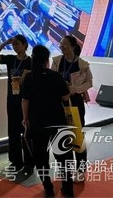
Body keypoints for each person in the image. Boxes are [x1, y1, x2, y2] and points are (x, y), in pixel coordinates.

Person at [21, 45, 74, 197]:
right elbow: (65, 97)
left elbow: (25, 100)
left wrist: (25, 118)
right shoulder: (56, 76)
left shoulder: (29, 77)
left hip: (37, 121)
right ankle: (67, 188)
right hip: (57, 120)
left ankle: (48, 188)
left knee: (41, 157)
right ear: (46, 60)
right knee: (62, 156)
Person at [52, 35, 93, 182]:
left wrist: (74, 89)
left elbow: (89, 82)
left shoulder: (82, 64)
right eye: (60, 44)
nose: (61, 46)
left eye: (64, 44)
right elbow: (52, 79)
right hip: (59, 102)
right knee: (63, 135)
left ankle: (80, 169)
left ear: (73, 46)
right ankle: (67, 169)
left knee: (78, 136)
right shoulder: (56, 61)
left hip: (75, 102)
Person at [0, 35, 33, 174]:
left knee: (26, 132)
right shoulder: (11, 59)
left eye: (17, 44)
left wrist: (24, 77)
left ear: (25, 45)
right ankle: (16, 161)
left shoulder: (30, 62)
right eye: (13, 45)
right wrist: (6, 42)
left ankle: (29, 163)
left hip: (25, 101)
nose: (15, 47)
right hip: (12, 99)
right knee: (13, 131)